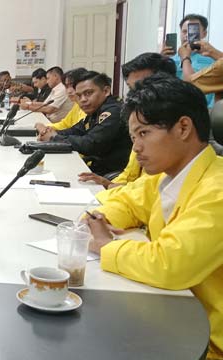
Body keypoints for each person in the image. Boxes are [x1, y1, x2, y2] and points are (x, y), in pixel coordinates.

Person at [85, 74, 223, 359]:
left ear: (184, 127)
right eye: (133, 137)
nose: (136, 148)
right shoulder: (166, 176)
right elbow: (124, 202)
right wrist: (100, 219)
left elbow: (170, 264)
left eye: (144, 133)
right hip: (175, 315)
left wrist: (107, 245)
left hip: (208, 344)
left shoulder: (217, 189)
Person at [78, 53, 176, 193]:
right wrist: (108, 185)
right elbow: (132, 181)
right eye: (132, 89)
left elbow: (144, 197)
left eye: (143, 88)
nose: (135, 96)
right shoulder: (140, 126)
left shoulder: (167, 131)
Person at [39, 71, 131, 175]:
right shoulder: (96, 110)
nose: (83, 100)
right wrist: (50, 132)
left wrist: (54, 137)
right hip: (97, 168)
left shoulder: (113, 112)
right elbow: (76, 130)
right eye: (79, 95)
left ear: (106, 91)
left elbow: (90, 144)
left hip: (112, 175)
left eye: (88, 93)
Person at [163, 14, 215, 107]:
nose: (187, 35)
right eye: (184, 31)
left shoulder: (212, 59)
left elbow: (193, 85)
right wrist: (159, 60)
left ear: (204, 34)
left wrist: (185, 58)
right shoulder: (168, 59)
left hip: (202, 109)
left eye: (193, 31)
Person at [35, 68, 88, 137]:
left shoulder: (88, 107)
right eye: (66, 87)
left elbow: (79, 134)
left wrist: (52, 135)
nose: (69, 91)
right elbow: (65, 124)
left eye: (72, 86)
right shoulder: (77, 104)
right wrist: (46, 128)